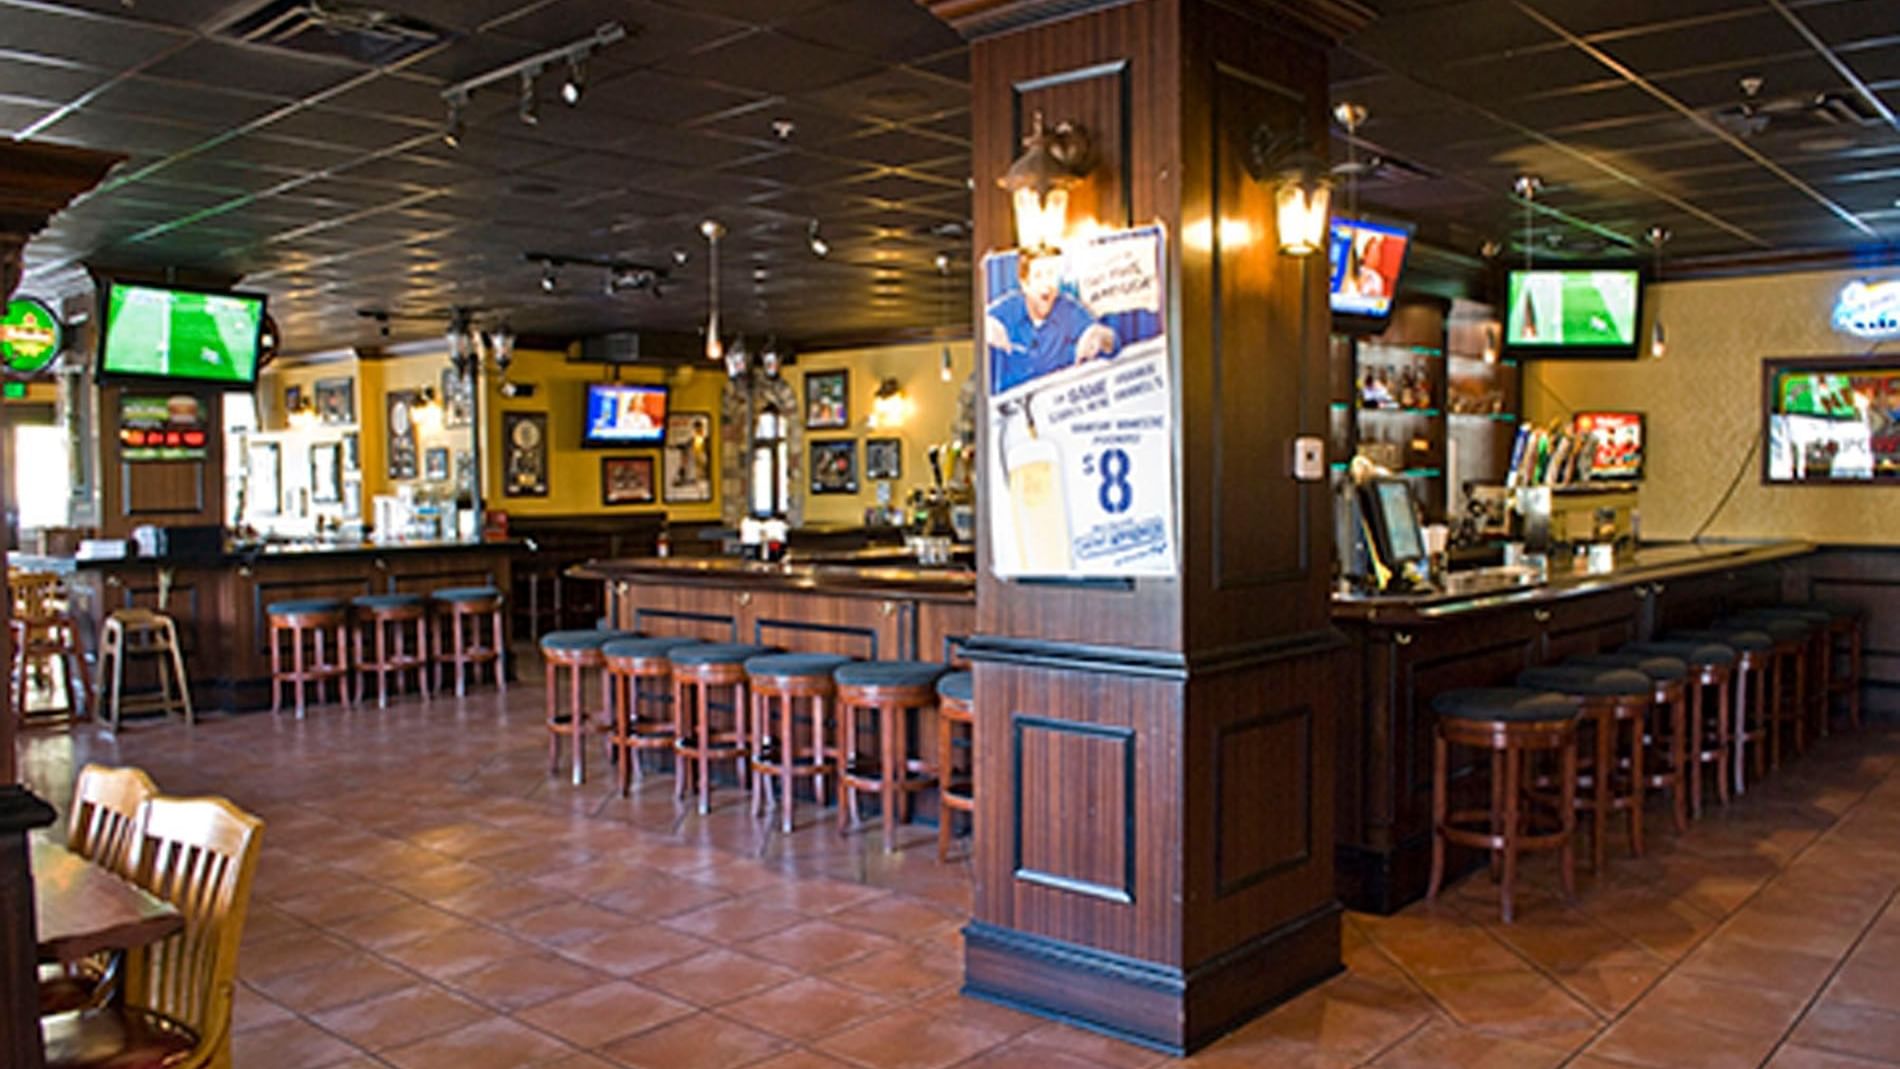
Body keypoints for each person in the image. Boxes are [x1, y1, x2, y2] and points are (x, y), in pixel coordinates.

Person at [985, 248, 1118, 394]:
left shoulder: (1069, 310)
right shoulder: (1007, 309)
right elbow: (982, 325)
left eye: (1051, 274)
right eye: (1039, 276)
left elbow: (1111, 343)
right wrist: (986, 328)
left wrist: (1103, 337)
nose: (1046, 283)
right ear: (1025, 284)